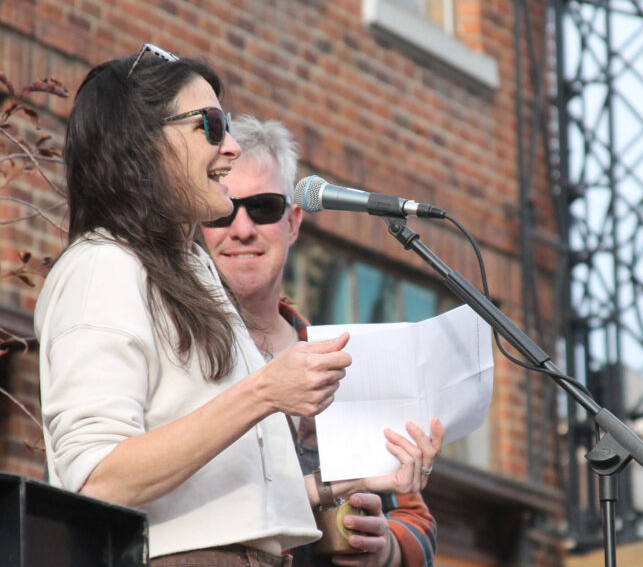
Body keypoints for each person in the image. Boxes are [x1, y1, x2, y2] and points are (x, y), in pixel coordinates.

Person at [35, 44, 442, 567]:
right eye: (210, 125)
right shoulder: (102, 267)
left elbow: (233, 500)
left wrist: (363, 481)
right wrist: (266, 391)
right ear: (143, 143)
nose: (229, 148)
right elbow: (95, 479)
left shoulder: (189, 273)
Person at [201, 115, 441, 567]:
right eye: (223, 211)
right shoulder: (183, 351)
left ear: (293, 223)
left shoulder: (342, 361)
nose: (243, 228)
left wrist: (386, 547)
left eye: (265, 208)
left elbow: (419, 522)